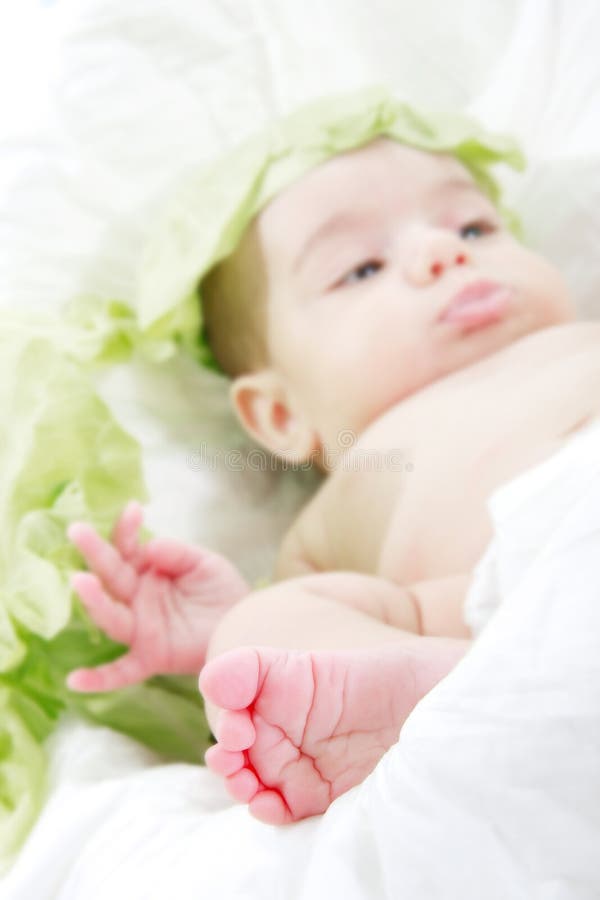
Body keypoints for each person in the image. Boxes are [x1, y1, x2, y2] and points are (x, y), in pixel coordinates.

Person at [66, 128, 600, 826]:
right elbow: (298, 633)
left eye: (475, 225)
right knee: (261, 631)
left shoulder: (575, 342)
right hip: (503, 609)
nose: (444, 250)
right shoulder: (355, 487)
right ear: (280, 415)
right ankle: (421, 699)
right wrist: (228, 630)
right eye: (361, 269)